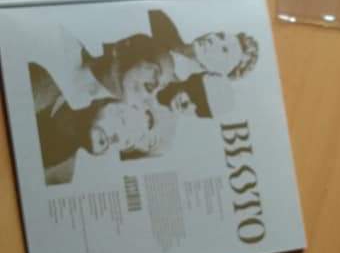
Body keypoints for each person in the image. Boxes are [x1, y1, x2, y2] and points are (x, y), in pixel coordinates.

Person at [29, 63, 171, 184]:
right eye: (122, 120)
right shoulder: (55, 80)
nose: (116, 137)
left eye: (127, 142)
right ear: (110, 103)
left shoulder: (62, 174)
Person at [79, 10, 259, 97]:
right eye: (220, 36)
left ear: (219, 74)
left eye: (224, 50)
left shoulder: (168, 96)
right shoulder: (159, 20)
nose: (214, 41)